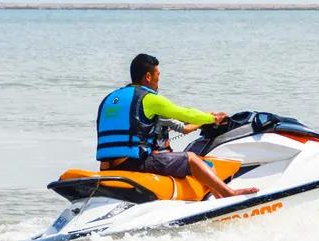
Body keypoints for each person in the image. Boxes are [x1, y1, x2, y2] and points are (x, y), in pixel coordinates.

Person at [95, 54, 258, 198]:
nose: (159, 80)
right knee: (192, 158)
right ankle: (228, 194)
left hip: (107, 167)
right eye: (158, 75)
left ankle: (214, 194)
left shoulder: (110, 98)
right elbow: (184, 114)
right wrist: (212, 118)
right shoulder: (149, 98)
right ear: (148, 77)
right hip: (134, 163)